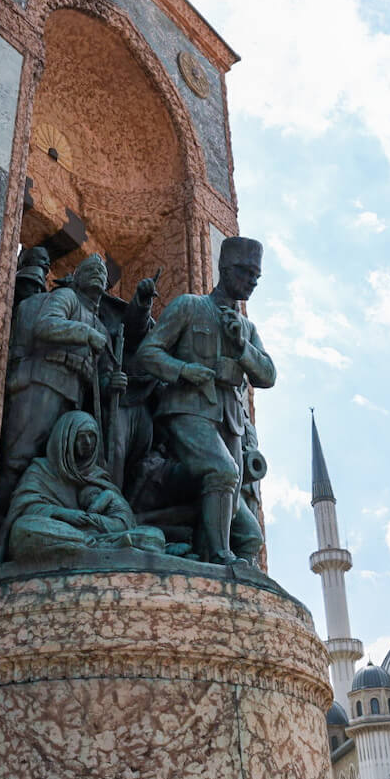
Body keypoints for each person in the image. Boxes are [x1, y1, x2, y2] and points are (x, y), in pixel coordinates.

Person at [135, 237, 275, 565]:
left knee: (251, 537)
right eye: (245, 272)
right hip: (187, 409)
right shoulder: (190, 306)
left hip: (230, 419)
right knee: (223, 472)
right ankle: (220, 555)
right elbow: (148, 353)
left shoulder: (247, 328)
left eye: (257, 276)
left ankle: (208, 557)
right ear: (224, 269)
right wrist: (184, 370)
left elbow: (267, 375)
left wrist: (242, 348)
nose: (252, 281)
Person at [0, 254, 125, 536]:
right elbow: (46, 325)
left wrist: (112, 382)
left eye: (102, 273)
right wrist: (85, 334)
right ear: (77, 277)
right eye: (90, 270)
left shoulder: (101, 325)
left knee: (59, 466)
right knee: (19, 457)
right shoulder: (67, 297)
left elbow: (98, 380)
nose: (97, 274)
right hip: (43, 381)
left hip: (73, 396)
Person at [4, 411, 164, 562]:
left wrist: (96, 521)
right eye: (81, 437)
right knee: (24, 529)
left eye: (92, 436)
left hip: (98, 533)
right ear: (65, 439)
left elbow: (125, 522)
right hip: (57, 531)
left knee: (154, 536)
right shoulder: (41, 470)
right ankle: (105, 548)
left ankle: (97, 547)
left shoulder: (99, 476)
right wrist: (65, 514)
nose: (87, 442)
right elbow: (24, 508)